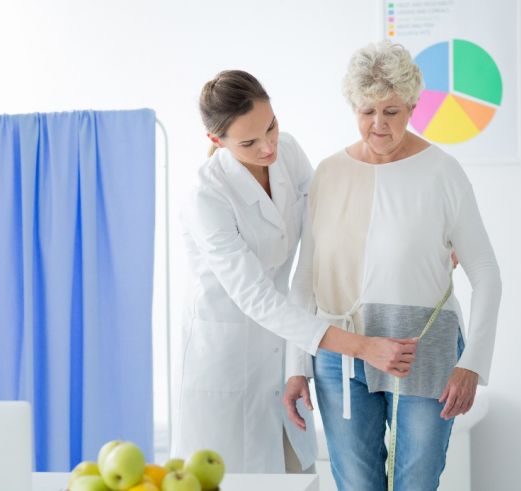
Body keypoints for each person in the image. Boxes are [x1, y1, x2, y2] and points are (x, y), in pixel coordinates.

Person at [173, 69, 419, 474]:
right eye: (250, 142)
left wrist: (416, 244)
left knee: (295, 474)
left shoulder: (289, 152)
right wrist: (359, 346)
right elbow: (256, 297)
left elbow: (326, 233)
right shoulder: (207, 196)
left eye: (271, 126)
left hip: (285, 345)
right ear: (216, 141)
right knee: (228, 477)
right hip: (226, 360)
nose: (269, 146)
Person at [284, 42, 502, 490]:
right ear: (353, 106)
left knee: (415, 483)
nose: (378, 125)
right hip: (340, 350)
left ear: (413, 107)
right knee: (357, 485)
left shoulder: (442, 172)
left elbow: (485, 274)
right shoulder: (328, 173)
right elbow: (305, 277)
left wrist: (473, 363)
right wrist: (295, 366)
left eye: (392, 111)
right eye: (367, 111)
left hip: (423, 348)